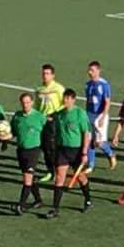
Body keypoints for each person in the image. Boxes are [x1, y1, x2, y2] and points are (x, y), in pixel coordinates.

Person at [45, 89, 93, 218]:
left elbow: (86, 133)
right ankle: (55, 208)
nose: (65, 101)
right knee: (59, 178)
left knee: (81, 177)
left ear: (73, 100)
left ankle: (88, 200)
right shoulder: (60, 115)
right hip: (62, 150)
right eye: (64, 98)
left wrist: (84, 152)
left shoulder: (79, 114)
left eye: (68, 98)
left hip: (76, 151)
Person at [9, 92, 46, 215]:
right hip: (21, 150)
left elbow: (48, 132)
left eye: (28, 102)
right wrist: (5, 137)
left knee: (27, 178)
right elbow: (13, 132)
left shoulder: (39, 117)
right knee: (30, 177)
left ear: (32, 103)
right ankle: (38, 200)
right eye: (23, 103)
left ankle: (21, 205)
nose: (25, 105)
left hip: (33, 151)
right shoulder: (17, 116)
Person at [85, 61, 117, 173]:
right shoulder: (88, 84)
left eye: (92, 70)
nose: (90, 72)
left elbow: (107, 102)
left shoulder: (104, 85)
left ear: (98, 71)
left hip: (100, 115)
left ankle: (111, 154)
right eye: (89, 70)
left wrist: (103, 117)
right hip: (90, 114)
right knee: (90, 140)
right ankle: (91, 165)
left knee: (100, 142)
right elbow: (88, 101)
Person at [36, 64, 65, 183]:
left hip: (53, 121)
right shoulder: (39, 89)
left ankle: (57, 170)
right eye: (43, 73)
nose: (45, 76)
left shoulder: (58, 88)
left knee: (52, 146)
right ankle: (50, 171)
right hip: (42, 121)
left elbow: (64, 103)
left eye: (47, 73)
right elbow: (37, 106)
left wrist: (54, 115)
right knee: (44, 147)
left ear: (53, 75)